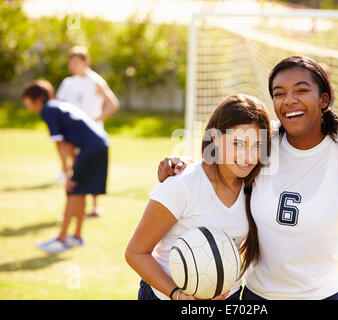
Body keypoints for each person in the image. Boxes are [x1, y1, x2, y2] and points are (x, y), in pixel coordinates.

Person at [158, 56, 338, 300]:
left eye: (301, 90)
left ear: (324, 98)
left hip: (328, 293)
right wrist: (182, 165)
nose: (289, 100)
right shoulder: (264, 140)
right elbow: (225, 157)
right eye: (279, 93)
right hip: (260, 294)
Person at [125, 94, 272, 300]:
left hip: (228, 296)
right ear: (215, 138)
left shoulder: (256, 185)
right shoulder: (182, 185)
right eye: (237, 143)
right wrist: (177, 294)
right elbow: (136, 253)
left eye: (256, 145)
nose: (247, 156)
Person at [22, 79, 109, 253]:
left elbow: (60, 143)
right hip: (99, 144)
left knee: (72, 189)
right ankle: (76, 237)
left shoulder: (47, 110)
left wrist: (67, 172)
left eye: (26, 99)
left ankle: (61, 240)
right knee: (80, 190)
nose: (25, 102)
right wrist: (72, 167)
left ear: (37, 99)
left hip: (91, 148)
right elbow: (69, 141)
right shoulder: (55, 106)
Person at [55, 46, 120, 218]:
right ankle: (73, 207)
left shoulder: (95, 81)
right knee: (73, 169)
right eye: (71, 62)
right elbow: (59, 107)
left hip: (93, 136)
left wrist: (94, 120)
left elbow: (113, 104)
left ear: (86, 62)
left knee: (92, 169)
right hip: (72, 136)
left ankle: (95, 206)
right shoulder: (67, 83)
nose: (73, 66)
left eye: (77, 62)